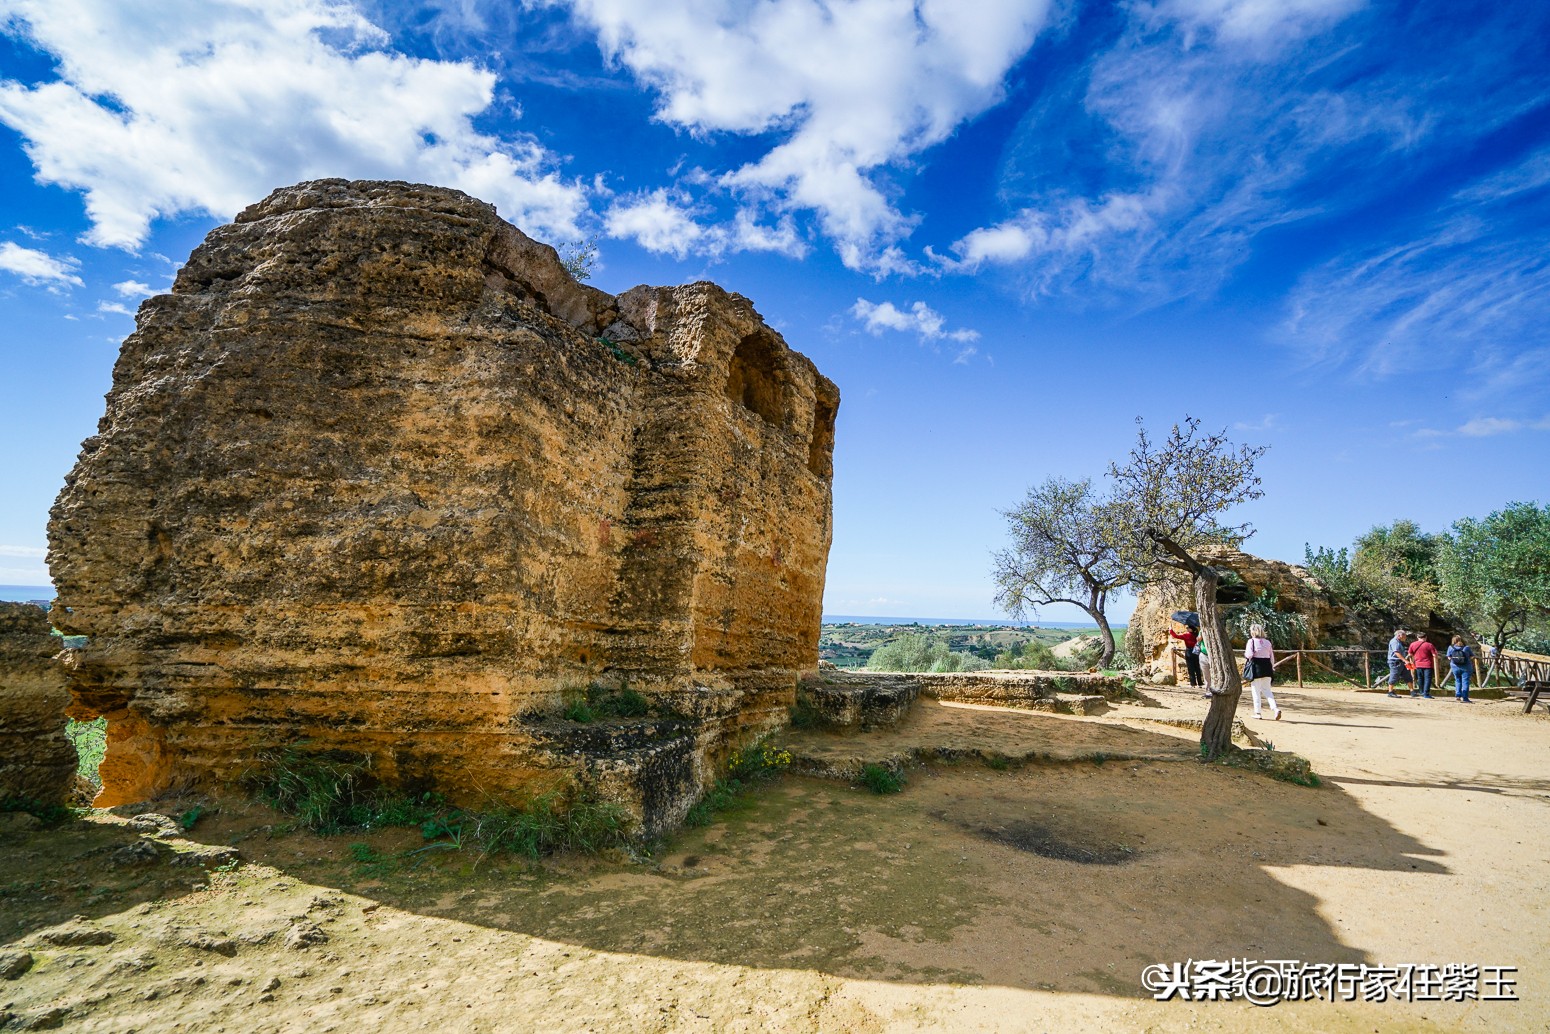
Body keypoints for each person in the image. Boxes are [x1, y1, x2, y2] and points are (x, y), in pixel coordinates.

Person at [1243, 623, 1280, 720]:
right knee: (1267, 690)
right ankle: (1275, 709)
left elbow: (1249, 655)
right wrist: (1272, 667)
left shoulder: (1251, 641)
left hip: (1256, 668)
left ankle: (1258, 713)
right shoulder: (1268, 642)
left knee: (1256, 691)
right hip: (1267, 668)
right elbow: (1271, 657)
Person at [1169, 621, 1203, 689]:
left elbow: (1176, 636)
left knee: (1191, 668)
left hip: (1189, 652)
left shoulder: (1186, 635)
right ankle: (1200, 683)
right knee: (1197, 667)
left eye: (1188, 628)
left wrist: (1170, 629)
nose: (1187, 629)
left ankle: (1193, 683)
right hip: (1196, 652)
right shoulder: (1197, 635)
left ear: (1191, 629)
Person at [1408, 633, 1437, 699]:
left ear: (1417, 637)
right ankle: (1426, 693)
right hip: (1428, 664)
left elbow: (1410, 653)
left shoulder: (1413, 644)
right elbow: (1434, 655)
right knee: (1427, 679)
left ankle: (1421, 691)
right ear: (1426, 637)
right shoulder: (1429, 645)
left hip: (1418, 664)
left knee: (1420, 678)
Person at [1385, 629, 1412, 697]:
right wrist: (1405, 660)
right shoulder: (1394, 642)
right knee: (1394, 675)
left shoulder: (1398, 642)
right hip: (1395, 662)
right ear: (1399, 635)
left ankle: (1412, 691)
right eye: (1405, 635)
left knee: (1407, 675)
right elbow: (1396, 652)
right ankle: (1390, 692)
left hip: (1400, 661)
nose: (1405, 637)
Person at [1447, 635, 1473, 703]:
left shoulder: (1450, 647)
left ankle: (1458, 696)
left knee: (1457, 680)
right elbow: (1472, 656)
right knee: (1465, 681)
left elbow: (1449, 657)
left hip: (1455, 667)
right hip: (1466, 667)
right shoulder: (1466, 648)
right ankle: (1465, 698)